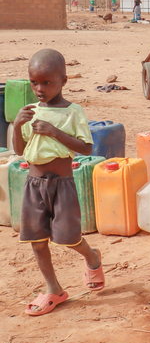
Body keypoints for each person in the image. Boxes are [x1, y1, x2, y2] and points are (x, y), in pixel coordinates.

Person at [12, 49, 104, 316]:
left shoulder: (73, 112)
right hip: (33, 184)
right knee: (37, 240)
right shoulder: (30, 112)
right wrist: (17, 126)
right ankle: (53, 289)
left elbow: (86, 148)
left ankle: (92, 256)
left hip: (62, 184)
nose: (39, 89)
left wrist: (54, 131)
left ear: (63, 80)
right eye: (34, 82)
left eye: (47, 82)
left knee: (69, 237)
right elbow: (19, 150)